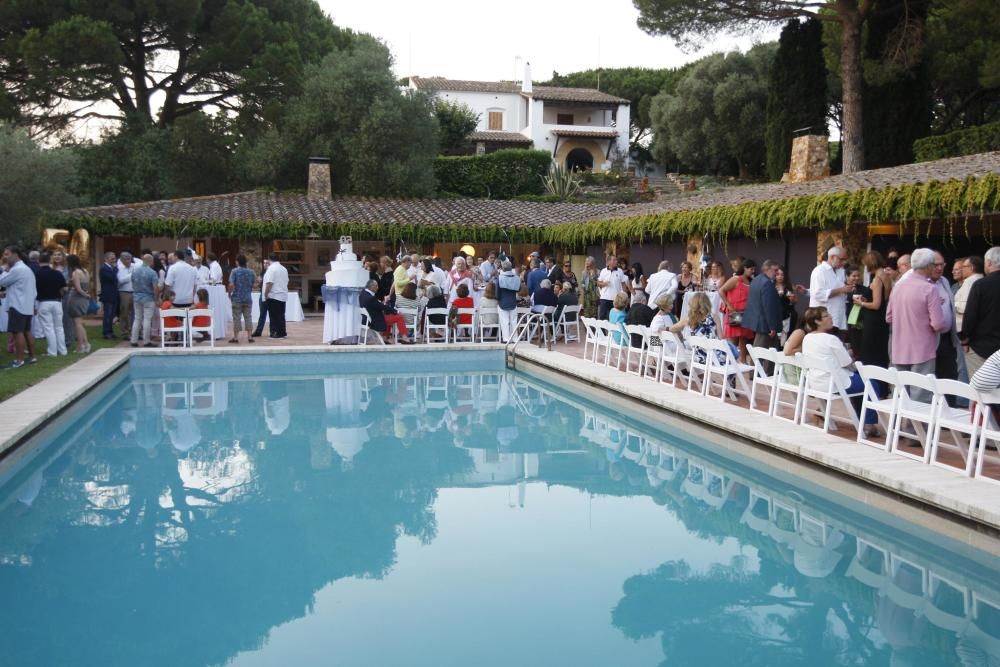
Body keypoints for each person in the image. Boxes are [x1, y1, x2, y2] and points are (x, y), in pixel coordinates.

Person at [800, 306, 878, 435]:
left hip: (816, 382)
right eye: (826, 316)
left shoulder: (807, 338)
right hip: (835, 383)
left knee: (860, 383)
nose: (830, 317)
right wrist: (849, 354)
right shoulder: (831, 339)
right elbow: (846, 362)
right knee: (871, 384)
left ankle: (863, 420)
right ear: (817, 321)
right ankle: (868, 423)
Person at [886, 248, 948, 402]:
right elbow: (938, 324)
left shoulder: (899, 286)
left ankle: (898, 425)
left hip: (899, 347)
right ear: (928, 266)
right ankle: (914, 427)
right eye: (934, 265)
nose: (936, 268)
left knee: (901, 393)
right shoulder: (930, 288)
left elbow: (889, 317)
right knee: (921, 395)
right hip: (923, 349)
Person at [961, 247, 1000, 380]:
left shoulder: (980, 285)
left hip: (980, 347)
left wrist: (965, 339)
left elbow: (970, 315)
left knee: (978, 391)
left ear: (988, 263)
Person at [853, 251, 891, 370]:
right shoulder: (886, 275)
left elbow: (876, 305)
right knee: (880, 352)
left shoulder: (877, 279)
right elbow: (884, 298)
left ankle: (872, 383)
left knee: (871, 353)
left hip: (874, 321)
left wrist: (861, 303)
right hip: (881, 319)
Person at [0, 246, 37, 367]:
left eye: (7, 254)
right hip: (26, 305)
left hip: (17, 305)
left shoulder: (16, 269)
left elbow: (2, 281)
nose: (5, 257)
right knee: (27, 331)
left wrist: (4, 270)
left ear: (16, 255)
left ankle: (19, 360)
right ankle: (32, 357)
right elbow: (27, 288)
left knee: (17, 332)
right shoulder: (27, 269)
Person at [808, 246, 853, 333]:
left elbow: (842, 291)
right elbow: (818, 294)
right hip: (823, 320)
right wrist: (841, 290)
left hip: (838, 317)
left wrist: (848, 290)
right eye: (842, 259)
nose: (844, 262)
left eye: (845, 260)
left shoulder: (841, 271)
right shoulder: (819, 271)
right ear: (832, 257)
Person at [742, 259, 782, 354]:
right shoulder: (767, 283)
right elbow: (768, 307)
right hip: (764, 324)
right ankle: (756, 368)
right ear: (767, 269)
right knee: (760, 352)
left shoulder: (756, 280)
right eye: (775, 270)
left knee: (771, 350)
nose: (776, 273)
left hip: (758, 320)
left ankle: (766, 369)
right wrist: (772, 326)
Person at [720, 258, 755, 361]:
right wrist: (729, 305)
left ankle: (743, 362)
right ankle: (729, 362)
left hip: (746, 313)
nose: (753, 271)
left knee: (743, 339)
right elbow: (721, 290)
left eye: (754, 269)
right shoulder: (736, 279)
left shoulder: (749, 281)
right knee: (734, 340)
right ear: (745, 268)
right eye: (751, 269)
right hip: (735, 312)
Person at [34, 252, 68, 357]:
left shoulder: (36, 274)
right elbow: (64, 288)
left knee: (48, 328)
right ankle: (63, 350)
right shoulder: (57, 273)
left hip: (43, 302)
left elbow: (33, 289)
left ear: (39, 261)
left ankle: (52, 351)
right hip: (57, 301)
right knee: (59, 327)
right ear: (49, 261)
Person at [130, 254, 159, 348]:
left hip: (137, 297)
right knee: (147, 319)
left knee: (137, 318)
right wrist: (157, 298)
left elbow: (133, 283)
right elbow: (155, 287)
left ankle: (133, 340)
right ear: (151, 261)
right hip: (148, 298)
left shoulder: (135, 271)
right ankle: (146, 341)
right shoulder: (152, 273)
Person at [65, 254, 91, 353]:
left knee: (77, 324)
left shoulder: (75, 273)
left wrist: (85, 294)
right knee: (80, 322)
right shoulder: (85, 271)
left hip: (76, 298)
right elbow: (86, 285)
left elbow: (78, 288)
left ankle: (80, 345)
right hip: (83, 300)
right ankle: (86, 343)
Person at [228, 254, 256, 344]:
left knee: (236, 317)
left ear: (237, 262)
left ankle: (236, 337)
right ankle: (250, 336)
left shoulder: (234, 271)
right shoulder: (251, 272)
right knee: (248, 317)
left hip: (237, 298)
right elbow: (254, 284)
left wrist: (229, 293)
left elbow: (231, 284)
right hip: (248, 298)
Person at [262, 252, 289, 339]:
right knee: (281, 315)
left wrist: (266, 294)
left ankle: (275, 333)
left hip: (273, 295)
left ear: (269, 259)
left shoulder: (271, 269)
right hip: (282, 295)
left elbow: (269, 283)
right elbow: (287, 281)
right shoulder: (284, 269)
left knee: (273, 315)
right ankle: (282, 332)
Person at [954, 255, 983, 333]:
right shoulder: (982, 279)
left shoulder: (969, 282)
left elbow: (963, 307)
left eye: (963, 267)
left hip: (963, 328)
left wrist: (952, 305)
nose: (962, 269)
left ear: (972, 268)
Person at [597, 255, 628, 320]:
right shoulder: (603, 271)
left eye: (616, 260)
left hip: (616, 299)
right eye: (614, 260)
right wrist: (604, 284)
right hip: (605, 298)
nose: (616, 261)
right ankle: (602, 330)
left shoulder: (620, 271)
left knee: (614, 317)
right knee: (603, 317)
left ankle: (612, 330)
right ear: (609, 262)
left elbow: (623, 284)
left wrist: (625, 295)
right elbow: (598, 283)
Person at [497, 260, 520, 342]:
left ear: (503, 268)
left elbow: (497, 292)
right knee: (514, 321)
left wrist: (498, 299)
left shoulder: (500, 278)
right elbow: (519, 289)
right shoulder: (517, 278)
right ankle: (515, 338)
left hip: (503, 301)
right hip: (513, 301)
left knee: (504, 321)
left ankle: (506, 339)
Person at [99, 251, 119, 339]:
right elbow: (112, 278)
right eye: (112, 259)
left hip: (114, 294)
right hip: (107, 295)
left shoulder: (111, 268)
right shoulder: (104, 268)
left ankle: (110, 331)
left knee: (112, 315)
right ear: (106, 259)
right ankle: (106, 332)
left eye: (114, 258)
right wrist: (115, 269)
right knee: (108, 314)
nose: (114, 260)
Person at [116, 251, 135, 339]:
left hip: (134, 291)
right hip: (124, 292)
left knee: (135, 313)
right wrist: (131, 275)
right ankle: (125, 332)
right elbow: (120, 281)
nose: (129, 261)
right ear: (122, 260)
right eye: (127, 259)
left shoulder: (134, 266)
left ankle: (135, 332)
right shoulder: (119, 268)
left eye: (130, 259)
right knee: (125, 313)